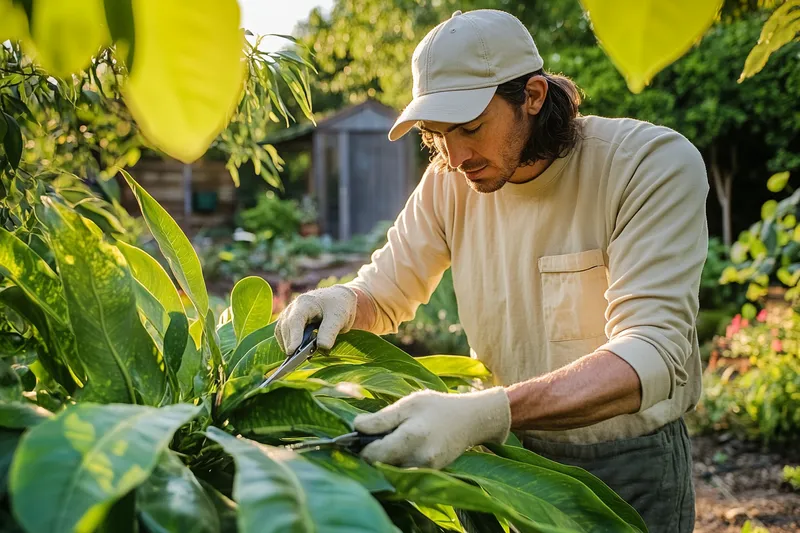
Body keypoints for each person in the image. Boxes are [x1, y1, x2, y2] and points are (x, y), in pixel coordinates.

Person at [275, 8, 707, 532]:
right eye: (435, 135)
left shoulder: (646, 165)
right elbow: (384, 293)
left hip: (623, 461)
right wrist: (341, 300)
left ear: (532, 96)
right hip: (498, 457)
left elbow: (652, 354)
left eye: (470, 128)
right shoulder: (449, 180)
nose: (454, 157)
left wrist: (486, 412)